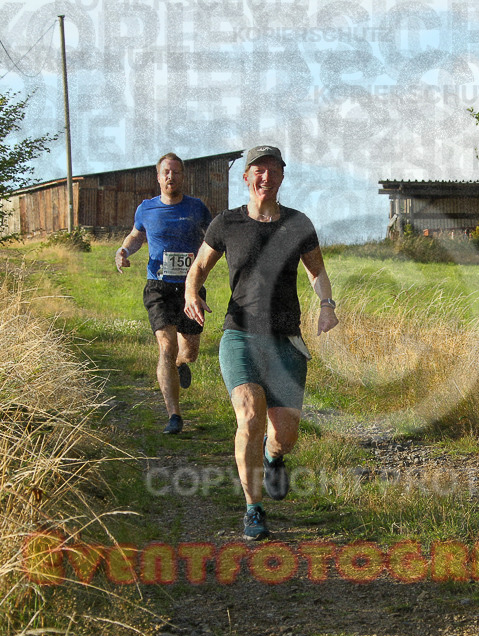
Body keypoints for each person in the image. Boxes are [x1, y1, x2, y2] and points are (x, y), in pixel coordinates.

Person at [183, 145, 338, 541]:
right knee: (250, 416)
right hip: (239, 333)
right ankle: (253, 509)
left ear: (282, 177)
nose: (265, 177)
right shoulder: (226, 223)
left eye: (272, 170)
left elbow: (317, 271)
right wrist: (192, 294)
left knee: (285, 434)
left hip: (286, 339)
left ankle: (273, 458)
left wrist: (326, 303)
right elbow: (199, 268)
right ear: (246, 178)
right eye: (258, 170)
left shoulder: (299, 223)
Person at [115, 152, 212, 434]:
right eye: (166, 172)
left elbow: (212, 240)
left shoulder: (197, 208)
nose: (171, 177)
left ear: (183, 177)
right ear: (158, 177)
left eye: (176, 172)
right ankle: (174, 415)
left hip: (190, 288)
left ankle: (182, 364)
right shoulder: (146, 208)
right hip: (157, 286)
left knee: (189, 352)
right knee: (166, 347)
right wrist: (123, 250)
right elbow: (136, 235)